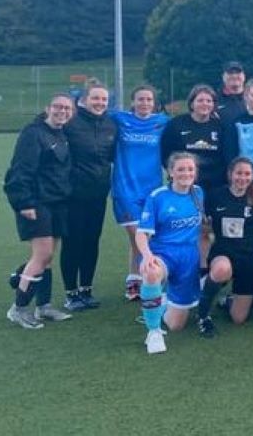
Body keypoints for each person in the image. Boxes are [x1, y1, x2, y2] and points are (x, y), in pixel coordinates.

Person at [3, 93, 76, 328]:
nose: (62, 111)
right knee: (41, 255)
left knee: (48, 258)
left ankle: (43, 306)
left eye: (67, 108)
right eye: (58, 107)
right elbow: (20, 170)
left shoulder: (62, 134)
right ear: (47, 108)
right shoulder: (33, 133)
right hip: (37, 203)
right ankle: (19, 308)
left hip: (57, 203)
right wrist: (24, 203)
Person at [135, 152, 204, 354]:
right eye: (181, 169)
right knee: (151, 272)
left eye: (190, 169)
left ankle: (159, 302)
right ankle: (153, 332)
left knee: (176, 325)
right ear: (171, 172)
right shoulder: (158, 197)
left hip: (189, 258)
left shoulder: (199, 193)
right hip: (163, 254)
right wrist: (147, 256)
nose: (186, 173)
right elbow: (141, 234)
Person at [60, 83, 117, 311]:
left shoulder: (110, 125)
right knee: (73, 242)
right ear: (84, 99)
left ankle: (86, 289)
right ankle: (71, 293)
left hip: (98, 195)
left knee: (92, 242)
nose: (100, 103)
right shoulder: (70, 123)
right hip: (73, 196)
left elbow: (110, 158)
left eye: (104, 99)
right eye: (96, 98)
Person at [160, 84, 226, 278]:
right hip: (183, 188)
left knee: (207, 229)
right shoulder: (177, 124)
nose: (205, 104)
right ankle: (176, 268)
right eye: (200, 100)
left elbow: (225, 156)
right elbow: (165, 155)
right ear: (192, 103)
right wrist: (179, 178)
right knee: (182, 227)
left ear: (214, 104)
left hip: (212, 187)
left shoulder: (219, 127)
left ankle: (203, 271)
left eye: (209, 100)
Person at [110, 85, 169, 301]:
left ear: (154, 103)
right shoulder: (119, 119)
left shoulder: (162, 122)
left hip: (152, 190)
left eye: (148, 100)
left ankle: (134, 279)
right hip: (125, 189)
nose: (144, 103)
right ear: (132, 102)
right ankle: (150, 280)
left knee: (140, 238)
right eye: (140, 99)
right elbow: (90, 113)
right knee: (141, 235)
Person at [196, 157, 253, 337]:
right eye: (238, 173)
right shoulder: (215, 195)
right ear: (230, 174)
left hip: (249, 260)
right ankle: (203, 316)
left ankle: (228, 301)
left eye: (247, 174)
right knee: (221, 269)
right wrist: (203, 263)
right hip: (223, 253)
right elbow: (204, 230)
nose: (242, 178)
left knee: (238, 319)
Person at [216, 61, 247, 126]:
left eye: (238, 72)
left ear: (244, 76)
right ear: (223, 76)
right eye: (230, 73)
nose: (234, 75)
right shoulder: (214, 100)